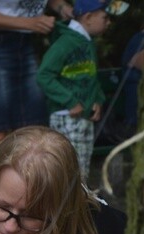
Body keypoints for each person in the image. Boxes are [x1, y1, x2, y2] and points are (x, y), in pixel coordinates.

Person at [0, 0, 74, 157]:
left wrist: (62, 7)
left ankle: (19, 174)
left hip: (23, 42)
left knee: (33, 134)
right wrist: (30, 23)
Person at [37, 0, 128, 181]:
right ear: (88, 17)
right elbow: (44, 75)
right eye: (105, 17)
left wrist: (98, 100)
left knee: (81, 170)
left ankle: (80, 197)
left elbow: (90, 77)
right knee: (68, 170)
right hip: (67, 117)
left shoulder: (86, 42)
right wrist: (70, 101)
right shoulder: (66, 43)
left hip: (84, 117)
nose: (108, 22)